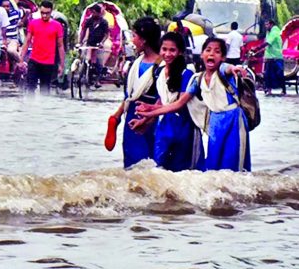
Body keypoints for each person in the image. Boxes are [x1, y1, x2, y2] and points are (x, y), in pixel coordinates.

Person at [138, 37, 251, 172]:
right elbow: (179, 102)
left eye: (216, 52)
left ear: (223, 57)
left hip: (233, 121)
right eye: (208, 50)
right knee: (213, 166)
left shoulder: (223, 72)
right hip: (214, 123)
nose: (211, 54)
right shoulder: (198, 79)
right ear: (202, 54)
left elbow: (227, 68)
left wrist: (234, 67)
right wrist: (150, 111)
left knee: (233, 163)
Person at [144, 32, 205, 172]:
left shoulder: (187, 74)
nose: (167, 53)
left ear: (180, 52)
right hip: (164, 126)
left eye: (172, 50)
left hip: (184, 128)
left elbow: (179, 104)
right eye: (164, 49)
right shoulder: (159, 73)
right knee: (160, 169)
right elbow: (162, 100)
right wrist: (146, 115)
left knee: (185, 172)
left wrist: (150, 112)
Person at [107, 17, 162, 169]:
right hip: (131, 118)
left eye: (134, 36)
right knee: (131, 164)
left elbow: (163, 100)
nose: (132, 40)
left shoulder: (162, 66)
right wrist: (116, 117)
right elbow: (129, 96)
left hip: (151, 120)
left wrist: (145, 121)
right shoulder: (135, 63)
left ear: (144, 40)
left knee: (149, 165)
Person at [20, 0, 64, 93]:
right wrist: (21, 59)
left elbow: (60, 46)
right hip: (34, 60)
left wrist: (62, 65)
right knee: (30, 88)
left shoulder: (57, 26)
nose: (44, 15)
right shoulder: (33, 23)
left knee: (45, 90)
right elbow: (27, 42)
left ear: (51, 11)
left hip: (48, 63)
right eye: (42, 13)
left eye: (47, 13)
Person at [78, 4, 110, 85]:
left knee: (99, 63)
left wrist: (102, 43)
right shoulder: (89, 20)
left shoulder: (104, 22)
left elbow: (106, 34)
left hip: (98, 45)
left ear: (99, 13)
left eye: (94, 12)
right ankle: (82, 75)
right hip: (90, 43)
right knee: (85, 59)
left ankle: (97, 80)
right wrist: (81, 41)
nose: (93, 14)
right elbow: (84, 31)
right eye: (92, 12)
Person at [263, 19, 286, 95]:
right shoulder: (268, 32)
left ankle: (283, 90)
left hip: (276, 56)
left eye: (267, 24)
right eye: (265, 25)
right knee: (268, 75)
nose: (266, 26)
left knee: (279, 75)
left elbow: (267, 43)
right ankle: (269, 90)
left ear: (271, 24)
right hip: (269, 57)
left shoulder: (275, 32)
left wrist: (257, 48)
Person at [1, 0, 22, 67]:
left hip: (13, 39)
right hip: (1, 39)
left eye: (7, 6)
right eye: (3, 6)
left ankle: (21, 62)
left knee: (11, 50)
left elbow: (27, 12)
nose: (5, 8)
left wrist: (22, 22)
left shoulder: (15, 13)